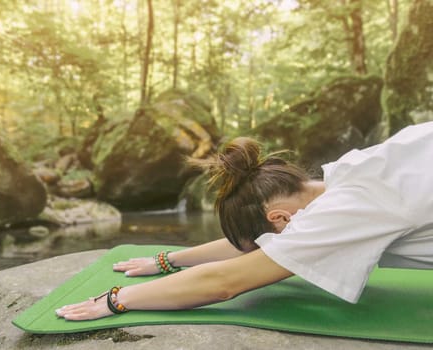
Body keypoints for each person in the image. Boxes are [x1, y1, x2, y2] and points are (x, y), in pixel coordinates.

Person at [56, 121, 433, 321]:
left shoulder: (345, 210)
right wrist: (168, 260)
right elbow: (253, 246)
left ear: (280, 219)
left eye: (275, 236)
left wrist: (116, 300)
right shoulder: (355, 170)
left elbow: (226, 283)